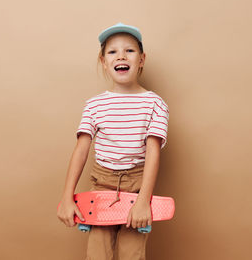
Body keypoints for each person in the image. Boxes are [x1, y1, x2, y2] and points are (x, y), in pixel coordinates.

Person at [57, 22, 169, 260]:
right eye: (112, 51)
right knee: (97, 254)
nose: (121, 56)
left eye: (129, 50)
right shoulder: (95, 105)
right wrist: (67, 197)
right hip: (102, 185)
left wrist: (143, 201)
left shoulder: (155, 104)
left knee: (132, 255)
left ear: (141, 59)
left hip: (138, 185)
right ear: (103, 61)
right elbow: (81, 150)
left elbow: (153, 153)